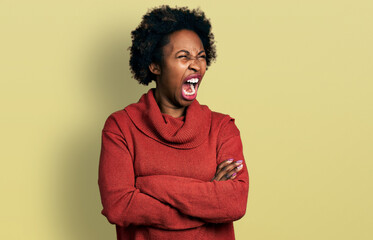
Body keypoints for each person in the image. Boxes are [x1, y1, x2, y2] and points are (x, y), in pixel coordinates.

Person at [98, 5, 249, 240]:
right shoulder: (120, 127)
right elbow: (118, 205)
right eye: (183, 56)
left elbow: (235, 203)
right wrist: (207, 201)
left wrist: (148, 185)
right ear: (154, 66)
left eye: (201, 57)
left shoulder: (222, 128)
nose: (196, 65)